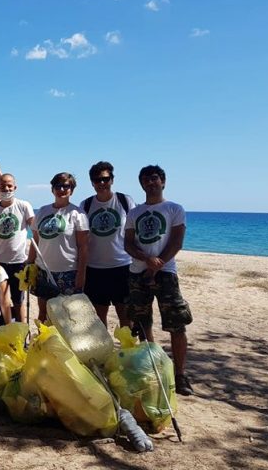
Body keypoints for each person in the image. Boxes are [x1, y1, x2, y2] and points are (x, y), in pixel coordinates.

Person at [124, 165, 194, 396]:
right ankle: (152, 367)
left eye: (154, 179)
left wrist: (157, 265)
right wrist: (147, 259)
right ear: (141, 184)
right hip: (138, 273)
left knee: (176, 324)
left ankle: (180, 374)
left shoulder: (174, 209)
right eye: (145, 179)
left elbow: (176, 242)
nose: (150, 183)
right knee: (143, 324)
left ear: (163, 181)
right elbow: (128, 243)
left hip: (166, 274)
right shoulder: (134, 213)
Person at [80, 161, 136, 328]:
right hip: (95, 269)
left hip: (123, 267)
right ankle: (106, 353)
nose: (102, 183)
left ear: (112, 179)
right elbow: (81, 239)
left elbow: (135, 233)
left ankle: (128, 351)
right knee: (99, 318)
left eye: (105, 179)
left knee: (126, 316)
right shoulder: (86, 205)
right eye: (97, 180)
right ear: (92, 183)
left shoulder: (125, 200)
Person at [32, 172, 89, 322]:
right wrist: (29, 265)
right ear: (52, 189)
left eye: (66, 186)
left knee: (68, 317)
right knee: (44, 314)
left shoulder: (78, 214)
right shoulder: (42, 212)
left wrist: (81, 276)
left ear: (72, 190)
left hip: (68, 272)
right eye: (58, 186)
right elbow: (35, 242)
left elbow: (83, 247)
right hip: (44, 271)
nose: (62, 189)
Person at [0, 173, 35, 323]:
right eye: (3, 186)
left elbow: (36, 231)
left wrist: (32, 259)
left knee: (18, 299)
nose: (6, 188)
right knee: (0, 298)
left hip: (18, 262)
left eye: (9, 185)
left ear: (15, 187)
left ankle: (21, 330)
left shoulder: (23, 206)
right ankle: (3, 329)